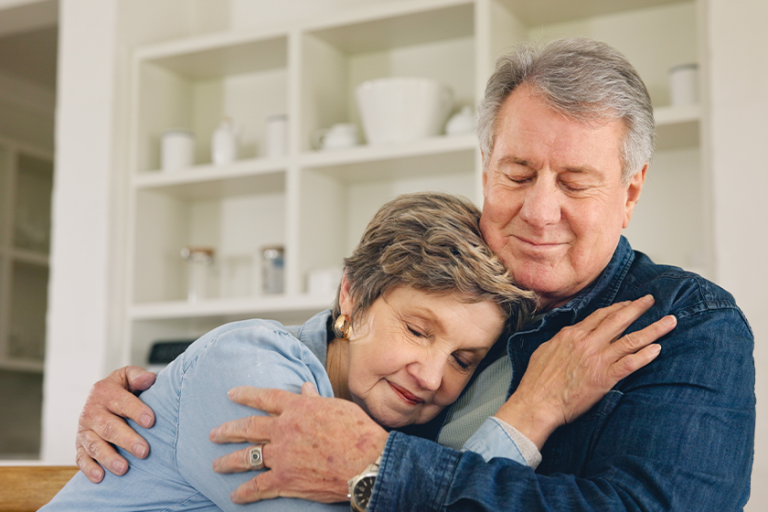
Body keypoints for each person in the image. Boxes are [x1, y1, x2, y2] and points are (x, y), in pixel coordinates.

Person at [76, 38, 755, 511]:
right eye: (517, 175)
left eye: (577, 183)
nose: (540, 211)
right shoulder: (485, 304)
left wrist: (382, 470)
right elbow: (323, 359)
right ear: (486, 170)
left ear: (630, 192)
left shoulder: (689, 324)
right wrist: (163, 388)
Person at [46, 192, 668, 511]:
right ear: (353, 296)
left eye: (463, 359)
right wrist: (531, 413)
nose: (429, 375)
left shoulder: (383, 426)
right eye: (418, 330)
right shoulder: (248, 364)